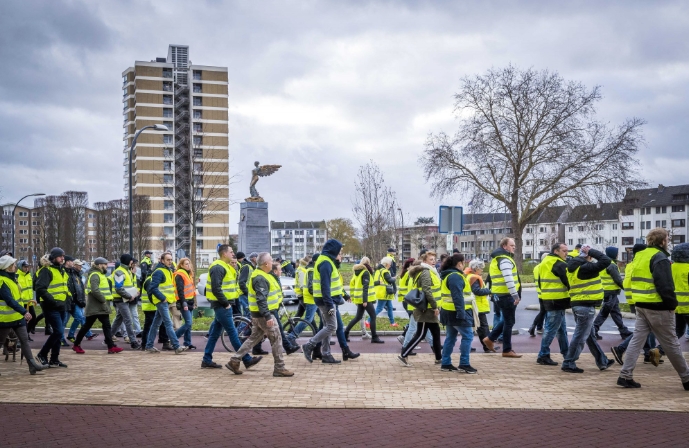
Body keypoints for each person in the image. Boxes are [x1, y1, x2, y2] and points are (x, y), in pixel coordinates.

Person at [617, 228, 689, 390]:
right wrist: (671, 305)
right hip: (658, 306)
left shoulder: (640, 255)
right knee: (671, 343)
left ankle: (625, 375)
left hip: (641, 305)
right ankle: (686, 378)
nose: (668, 242)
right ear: (663, 241)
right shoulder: (660, 257)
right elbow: (665, 285)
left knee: (637, 340)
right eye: (667, 239)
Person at [226, 253, 294, 377]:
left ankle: (234, 360)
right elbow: (261, 299)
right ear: (266, 264)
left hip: (259, 314)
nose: (273, 262)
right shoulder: (260, 277)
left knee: (254, 338)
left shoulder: (261, 275)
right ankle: (280, 367)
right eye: (271, 260)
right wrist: (268, 317)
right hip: (264, 315)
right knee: (276, 338)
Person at [202, 245, 260, 369]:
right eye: (231, 252)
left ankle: (206, 359)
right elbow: (216, 288)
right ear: (224, 254)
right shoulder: (218, 267)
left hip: (223, 305)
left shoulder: (225, 266)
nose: (233, 254)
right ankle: (246, 359)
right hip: (222, 305)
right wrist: (226, 303)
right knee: (233, 333)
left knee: (214, 334)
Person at [561, 245, 614, 373]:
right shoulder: (586, 268)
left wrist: (588, 253)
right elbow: (606, 260)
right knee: (580, 336)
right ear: (589, 257)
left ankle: (602, 360)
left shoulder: (572, 266)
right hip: (586, 306)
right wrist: (591, 251)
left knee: (589, 336)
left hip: (577, 304)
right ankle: (569, 362)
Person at [610, 244, 658, 365]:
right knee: (646, 329)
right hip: (643, 299)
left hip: (634, 299)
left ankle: (648, 353)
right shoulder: (643, 264)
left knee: (644, 329)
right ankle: (622, 349)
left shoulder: (631, 264)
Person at [0, 254, 47, 375]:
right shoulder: (2, 281)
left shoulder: (12, 279)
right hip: (5, 318)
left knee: (24, 340)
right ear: (7, 267)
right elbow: (9, 300)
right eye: (13, 264)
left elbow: (18, 297)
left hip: (17, 317)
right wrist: (24, 312)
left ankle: (32, 365)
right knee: (0, 342)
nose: (15, 266)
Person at [301, 239, 344, 364]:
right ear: (333, 250)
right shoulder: (325, 263)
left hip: (325, 300)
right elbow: (325, 286)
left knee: (327, 326)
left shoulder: (325, 260)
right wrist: (330, 304)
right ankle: (309, 345)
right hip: (327, 301)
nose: (339, 253)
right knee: (332, 326)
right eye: (339, 251)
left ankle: (326, 354)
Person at [72, 258, 122, 355]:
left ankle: (110, 346)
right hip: (97, 306)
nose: (106, 266)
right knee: (88, 326)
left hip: (100, 306)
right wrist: (103, 300)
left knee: (105, 326)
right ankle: (76, 344)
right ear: (99, 265)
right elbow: (95, 290)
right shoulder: (95, 275)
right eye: (105, 264)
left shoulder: (99, 274)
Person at [398, 259, 443, 367]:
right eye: (430, 259)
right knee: (420, 333)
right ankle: (404, 355)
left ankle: (438, 358)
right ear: (424, 263)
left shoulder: (419, 273)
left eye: (434, 259)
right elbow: (427, 290)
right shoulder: (425, 273)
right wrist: (434, 306)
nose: (433, 261)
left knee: (436, 332)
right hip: (426, 309)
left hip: (425, 308)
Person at [483, 238, 522, 358]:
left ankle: (490, 338)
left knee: (506, 319)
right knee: (509, 322)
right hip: (507, 296)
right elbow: (508, 278)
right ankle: (506, 350)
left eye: (514, 245)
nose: (514, 247)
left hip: (500, 295)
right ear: (504, 246)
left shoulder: (497, 259)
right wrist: (515, 295)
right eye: (511, 245)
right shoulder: (504, 259)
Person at [439, 253, 477, 373]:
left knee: (451, 337)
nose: (464, 264)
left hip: (449, 311)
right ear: (459, 263)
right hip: (457, 312)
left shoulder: (449, 275)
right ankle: (464, 363)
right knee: (468, 336)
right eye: (463, 262)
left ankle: (446, 363)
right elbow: (458, 297)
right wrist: (461, 313)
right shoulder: (455, 276)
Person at [144, 253, 187, 354]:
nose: (170, 261)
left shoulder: (167, 270)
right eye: (168, 260)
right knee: (168, 323)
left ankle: (149, 345)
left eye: (171, 259)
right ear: (162, 260)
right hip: (161, 301)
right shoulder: (159, 271)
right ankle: (176, 346)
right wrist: (163, 298)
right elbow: (152, 288)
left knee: (155, 324)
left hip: (165, 301)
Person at [535, 243, 571, 366]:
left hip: (548, 298)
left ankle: (567, 354)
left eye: (567, 250)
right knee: (551, 330)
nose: (567, 253)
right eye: (564, 251)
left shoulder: (545, 262)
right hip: (558, 300)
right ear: (556, 251)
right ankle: (543, 355)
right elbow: (568, 281)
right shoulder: (559, 263)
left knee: (561, 330)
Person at [34, 247, 70, 368]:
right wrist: (53, 301)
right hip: (51, 306)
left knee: (58, 333)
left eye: (63, 256)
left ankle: (54, 359)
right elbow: (40, 288)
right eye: (60, 256)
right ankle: (42, 354)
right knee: (59, 332)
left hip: (61, 305)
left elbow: (64, 288)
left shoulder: (62, 270)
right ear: (54, 258)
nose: (63, 258)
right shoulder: (46, 270)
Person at [593, 247, 632, 340]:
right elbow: (618, 280)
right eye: (617, 253)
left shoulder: (603, 263)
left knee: (615, 312)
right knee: (604, 313)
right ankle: (594, 330)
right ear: (613, 254)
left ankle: (623, 330)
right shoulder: (612, 265)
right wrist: (626, 288)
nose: (617, 255)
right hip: (610, 292)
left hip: (606, 291)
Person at [401, 253, 436, 350]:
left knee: (424, 327)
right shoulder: (419, 276)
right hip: (417, 305)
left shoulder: (413, 275)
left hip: (413, 304)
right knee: (413, 327)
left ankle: (434, 345)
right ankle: (405, 347)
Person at [345, 257, 383, 343]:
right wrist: (365, 300)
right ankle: (374, 337)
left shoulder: (357, 272)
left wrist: (377, 283)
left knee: (358, 317)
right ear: (368, 263)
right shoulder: (366, 272)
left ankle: (345, 332)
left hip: (359, 298)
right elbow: (365, 287)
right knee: (373, 316)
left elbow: (358, 284)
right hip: (365, 299)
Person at [269, 262, 301, 355]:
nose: (282, 271)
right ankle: (288, 347)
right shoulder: (272, 279)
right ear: (275, 271)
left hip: (275, 306)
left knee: (258, 334)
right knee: (278, 329)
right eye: (280, 270)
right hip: (271, 308)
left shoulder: (276, 279)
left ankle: (256, 348)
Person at [110, 254, 141, 349]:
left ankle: (108, 338)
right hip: (120, 299)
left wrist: (133, 293)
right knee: (128, 319)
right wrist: (129, 296)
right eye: (131, 260)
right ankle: (133, 342)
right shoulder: (120, 272)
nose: (132, 262)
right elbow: (119, 288)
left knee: (119, 319)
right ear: (128, 261)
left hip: (124, 299)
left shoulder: (126, 271)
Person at [464, 260, 492, 353]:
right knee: (483, 327)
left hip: (475, 305)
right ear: (476, 269)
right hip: (478, 306)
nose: (482, 270)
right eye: (481, 268)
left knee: (477, 327)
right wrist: (489, 291)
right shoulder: (474, 278)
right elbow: (477, 291)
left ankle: (485, 346)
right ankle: (487, 346)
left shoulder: (469, 276)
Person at [66, 259, 93, 342]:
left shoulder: (78, 274)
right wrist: (77, 300)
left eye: (81, 265)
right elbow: (74, 288)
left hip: (78, 300)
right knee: (78, 318)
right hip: (74, 300)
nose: (81, 267)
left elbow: (80, 288)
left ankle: (87, 334)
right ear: (74, 265)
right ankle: (70, 335)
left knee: (81, 318)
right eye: (79, 265)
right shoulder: (73, 274)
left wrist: (82, 299)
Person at [368, 257, 397, 327]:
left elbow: (374, 282)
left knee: (390, 307)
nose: (390, 265)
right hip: (384, 293)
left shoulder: (378, 271)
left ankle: (392, 323)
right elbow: (389, 280)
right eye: (390, 263)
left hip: (381, 292)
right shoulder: (385, 271)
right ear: (386, 264)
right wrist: (394, 278)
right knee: (379, 308)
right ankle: (368, 321)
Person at [174, 258, 196, 349]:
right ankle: (173, 338)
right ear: (181, 265)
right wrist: (184, 303)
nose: (188, 265)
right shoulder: (179, 275)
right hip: (184, 302)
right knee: (188, 322)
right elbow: (180, 291)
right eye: (186, 264)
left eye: (189, 264)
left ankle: (187, 343)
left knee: (189, 324)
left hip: (189, 301)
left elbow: (191, 290)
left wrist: (194, 302)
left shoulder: (188, 274)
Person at [671, 243, 689, 339]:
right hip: (688, 306)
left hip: (676, 306)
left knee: (678, 332)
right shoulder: (687, 268)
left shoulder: (671, 267)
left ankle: (659, 350)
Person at [528, 253, 548, 337]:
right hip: (547, 293)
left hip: (540, 293)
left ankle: (538, 327)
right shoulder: (546, 267)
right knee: (544, 312)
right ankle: (534, 326)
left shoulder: (536, 267)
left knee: (543, 312)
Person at [16, 260, 37, 341]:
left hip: (29, 302)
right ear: (20, 267)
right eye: (25, 267)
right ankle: (23, 337)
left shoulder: (28, 276)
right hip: (21, 303)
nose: (27, 268)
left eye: (27, 267)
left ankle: (27, 334)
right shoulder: (17, 276)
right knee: (24, 321)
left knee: (33, 318)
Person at [237, 252, 257, 318]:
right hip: (244, 294)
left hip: (246, 294)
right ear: (254, 259)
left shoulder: (251, 266)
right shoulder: (246, 267)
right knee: (248, 315)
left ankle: (242, 328)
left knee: (248, 315)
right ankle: (241, 328)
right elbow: (241, 282)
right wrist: (247, 292)